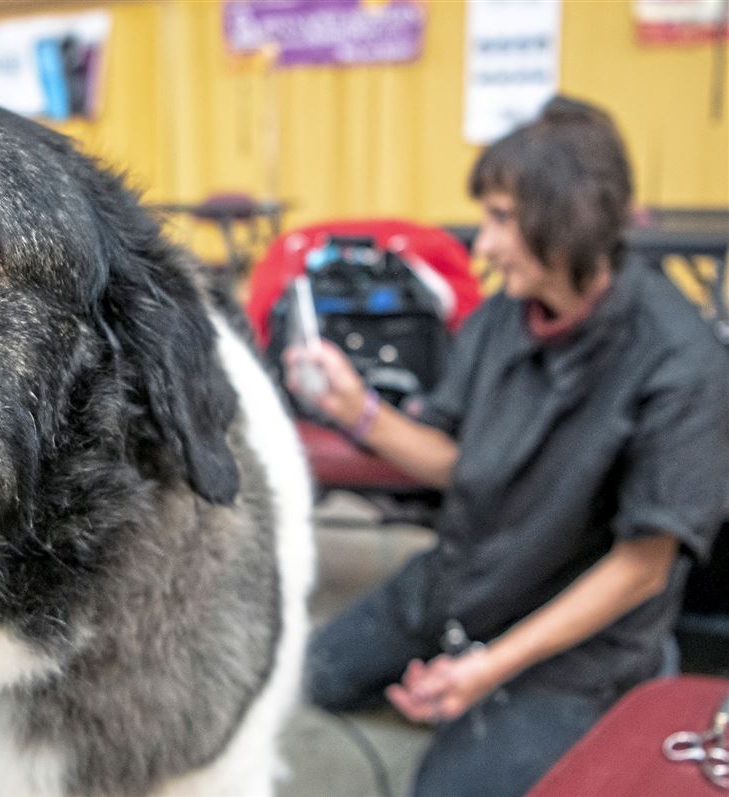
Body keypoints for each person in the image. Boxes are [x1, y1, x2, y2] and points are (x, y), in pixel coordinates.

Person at [285, 96, 729, 797]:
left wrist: (486, 668)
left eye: (499, 218)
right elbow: (456, 462)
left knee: (446, 789)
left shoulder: (682, 363)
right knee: (307, 675)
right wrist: (355, 409)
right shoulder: (499, 319)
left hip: (582, 646)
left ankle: (618, 690)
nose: (481, 245)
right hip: (463, 577)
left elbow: (642, 568)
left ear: (569, 220)